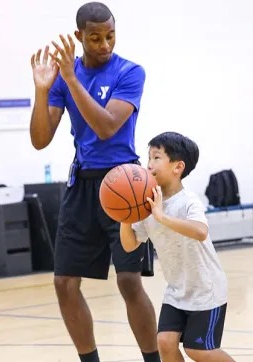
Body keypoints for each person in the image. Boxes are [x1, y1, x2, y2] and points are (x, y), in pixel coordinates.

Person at [29, 2, 160, 362]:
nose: (105, 45)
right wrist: (43, 90)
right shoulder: (62, 77)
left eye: (110, 36)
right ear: (79, 37)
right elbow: (40, 139)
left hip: (125, 183)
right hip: (82, 186)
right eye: (96, 38)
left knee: (129, 281)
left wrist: (71, 79)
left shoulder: (130, 72)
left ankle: (153, 360)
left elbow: (105, 127)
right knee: (64, 283)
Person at [120, 132, 236, 362]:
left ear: (177, 167)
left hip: (206, 290)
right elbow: (130, 245)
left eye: (156, 157)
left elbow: (200, 231)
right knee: (164, 342)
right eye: (148, 158)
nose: (149, 165)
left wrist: (162, 217)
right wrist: (125, 216)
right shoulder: (148, 205)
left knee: (198, 350)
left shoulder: (188, 201)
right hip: (177, 290)